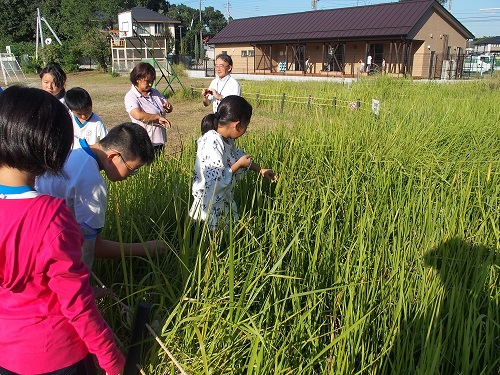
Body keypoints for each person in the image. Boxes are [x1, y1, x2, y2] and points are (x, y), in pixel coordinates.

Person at [0, 86, 124, 375]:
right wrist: (111, 359)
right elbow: (77, 307)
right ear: (51, 146)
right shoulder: (51, 217)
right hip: (57, 355)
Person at [36, 122, 161, 271]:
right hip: (45, 255)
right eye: (132, 170)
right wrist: (145, 248)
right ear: (113, 156)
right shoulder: (92, 183)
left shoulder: (72, 142)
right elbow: (90, 248)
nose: (130, 176)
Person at [190, 95, 278, 231]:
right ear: (238, 125)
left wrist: (260, 170)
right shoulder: (211, 141)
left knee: (223, 242)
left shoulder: (226, 140)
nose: (246, 129)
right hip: (206, 210)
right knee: (205, 245)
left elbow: (239, 157)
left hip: (221, 205)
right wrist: (238, 166)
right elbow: (215, 180)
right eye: (246, 125)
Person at [124, 62, 173, 153]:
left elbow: (168, 107)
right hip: (145, 143)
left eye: (152, 81)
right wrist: (157, 117)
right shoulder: (131, 96)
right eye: (147, 81)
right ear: (137, 79)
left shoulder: (154, 92)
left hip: (159, 141)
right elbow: (138, 115)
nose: (150, 84)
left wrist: (168, 107)